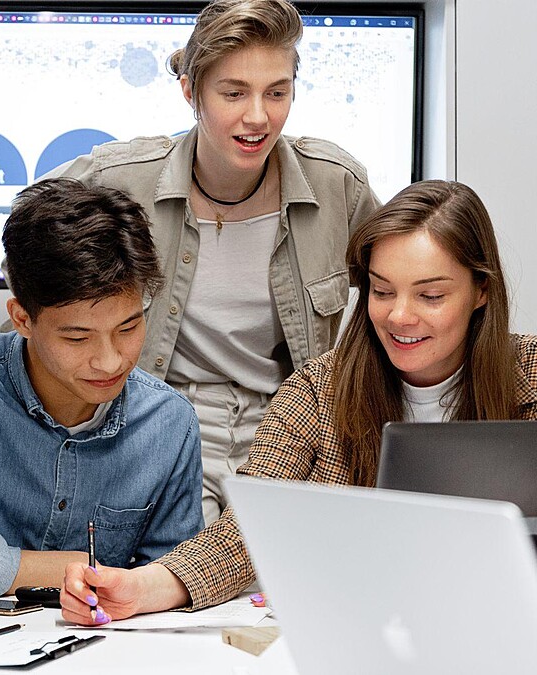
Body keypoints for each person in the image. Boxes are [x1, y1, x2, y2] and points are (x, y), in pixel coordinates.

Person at [56, 179, 537, 624]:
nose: (400, 316)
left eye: (430, 295)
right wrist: (143, 587)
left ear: (481, 290)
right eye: (381, 291)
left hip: (502, 625)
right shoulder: (317, 389)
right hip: (364, 634)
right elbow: (244, 535)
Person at [49, 0, 381, 525]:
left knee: (290, 563)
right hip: (162, 422)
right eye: (234, 93)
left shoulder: (336, 184)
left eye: (277, 92)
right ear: (191, 91)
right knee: (188, 561)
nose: (258, 117)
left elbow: (397, 290)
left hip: (288, 426)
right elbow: (27, 252)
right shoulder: (119, 178)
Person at [0, 178, 204, 598]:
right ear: (22, 319)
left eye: (128, 328)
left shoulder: (169, 423)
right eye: (77, 337)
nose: (110, 361)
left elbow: (171, 578)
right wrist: (78, 569)